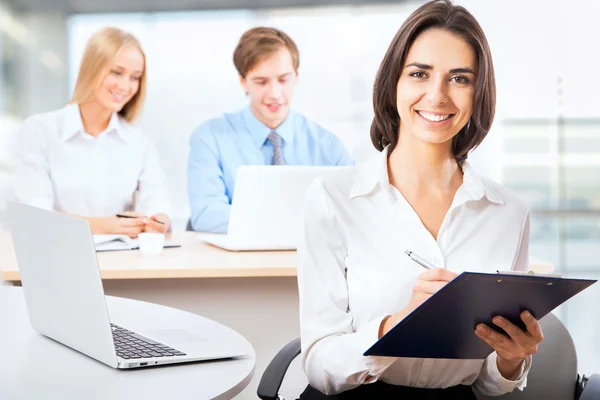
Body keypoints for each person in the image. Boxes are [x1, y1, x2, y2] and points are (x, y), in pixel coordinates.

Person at [297, 1, 543, 399]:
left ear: (478, 93)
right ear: (393, 81)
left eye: (459, 79)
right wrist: (396, 325)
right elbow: (320, 366)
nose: (437, 95)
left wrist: (511, 359)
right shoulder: (333, 198)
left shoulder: (509, 212)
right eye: (419, 74)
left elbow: (488, 384)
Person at [187, 27, 354, 233]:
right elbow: (206, 215)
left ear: (297, 76)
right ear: (243, 81)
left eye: (284, 80)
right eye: (261, 82)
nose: (275, 93)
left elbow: (354, 208)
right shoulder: (210, 139)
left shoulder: (327, 145)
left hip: (311, 260)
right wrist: (294, 221)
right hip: (237, 262)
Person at [11, 27, 171, 238]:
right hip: (57, 257)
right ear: (91, 69)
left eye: (135, 77)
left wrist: (160, 221)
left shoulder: (138, 141)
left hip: (124, 262)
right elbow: (35, 217)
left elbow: (156, 200)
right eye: (116, 72)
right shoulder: (40, 131)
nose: (125, 86)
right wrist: (104, 226)